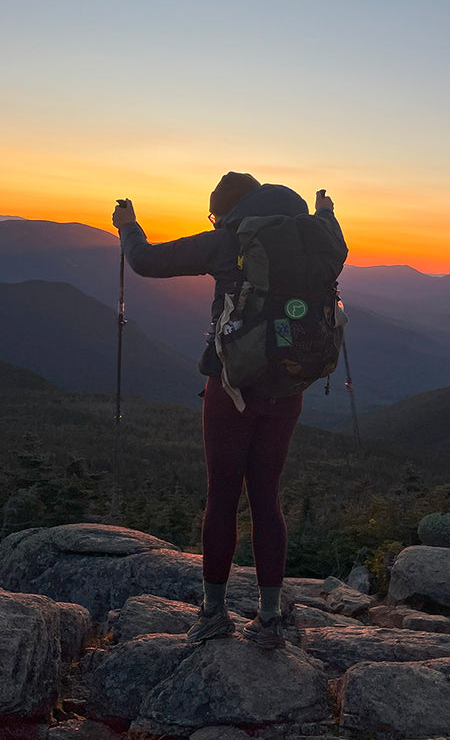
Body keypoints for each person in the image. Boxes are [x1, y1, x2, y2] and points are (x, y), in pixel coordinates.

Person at [112, 173, 345, 649]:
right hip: (289, 384)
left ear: (228, 211)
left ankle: (215, 612)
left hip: (231, 386)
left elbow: (145, 261)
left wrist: (127, 224)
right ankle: (271, 617)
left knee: (222, 495)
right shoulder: (315, 237)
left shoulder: (228, 242)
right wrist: (325, 206)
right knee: (267, 497)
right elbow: (332, 227)